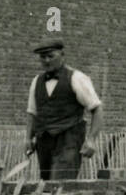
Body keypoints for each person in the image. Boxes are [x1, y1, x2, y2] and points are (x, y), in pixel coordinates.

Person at [25, 40, 102, 180]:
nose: (47, 60)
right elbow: (32, 113)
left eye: (51, 56)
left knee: (60, 185)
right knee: (46, 186)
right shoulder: (36, 81)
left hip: (69, 140)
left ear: (62, 55)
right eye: (43, 57)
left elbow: (96, 109)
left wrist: (91, 140)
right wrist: (28, 138)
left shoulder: (77, 78)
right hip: (44, 141)